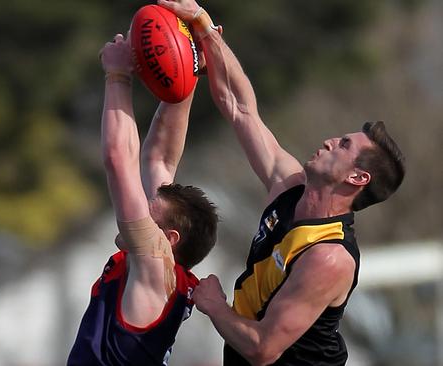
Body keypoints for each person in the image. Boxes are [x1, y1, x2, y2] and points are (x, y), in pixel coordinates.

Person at [157, 1, 406, 365]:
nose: (329, 141)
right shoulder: (290, 187)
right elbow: (239, 107)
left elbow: (263, 348)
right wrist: (204, 30)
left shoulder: (329, 257)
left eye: (344, 145)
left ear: (357, 177)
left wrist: (213, 305)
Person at [67, 33, 219, 365]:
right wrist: (188, 71)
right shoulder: (159, 267)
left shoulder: (154, 267)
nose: (136, 207)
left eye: (149, 210)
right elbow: (160, 159)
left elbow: (119, 160)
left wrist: (118, 76)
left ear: (169, 239)